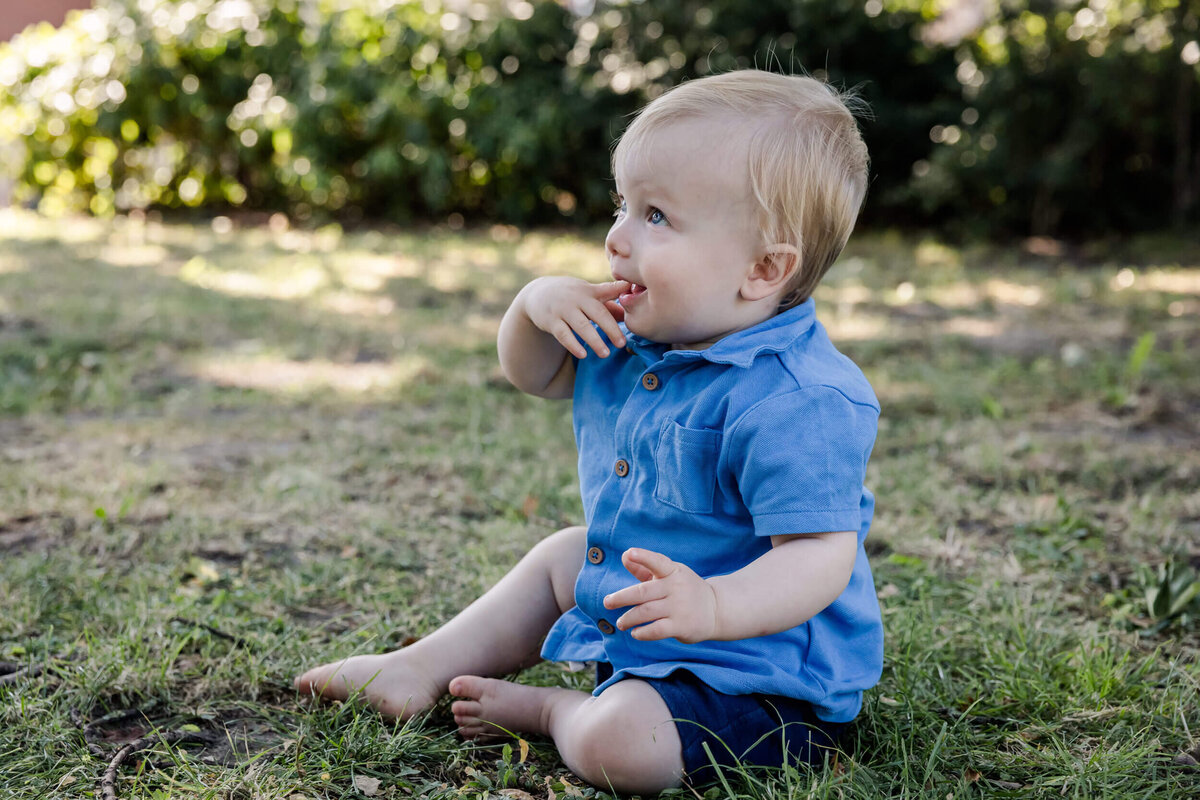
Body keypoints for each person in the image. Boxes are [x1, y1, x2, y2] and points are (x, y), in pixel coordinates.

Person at [295, 69, 883, 793]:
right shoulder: (645, 337)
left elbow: (820, 556)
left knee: (621, 745)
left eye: (657, 217)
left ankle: (553, 711)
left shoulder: (801, 400)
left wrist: (715, 605)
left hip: (760, 678)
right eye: (622, 207)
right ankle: (417, 667)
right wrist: (532, 305)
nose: (616, 238)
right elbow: (533, 373)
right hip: (648, 624)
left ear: (763, 269)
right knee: (563, 556)